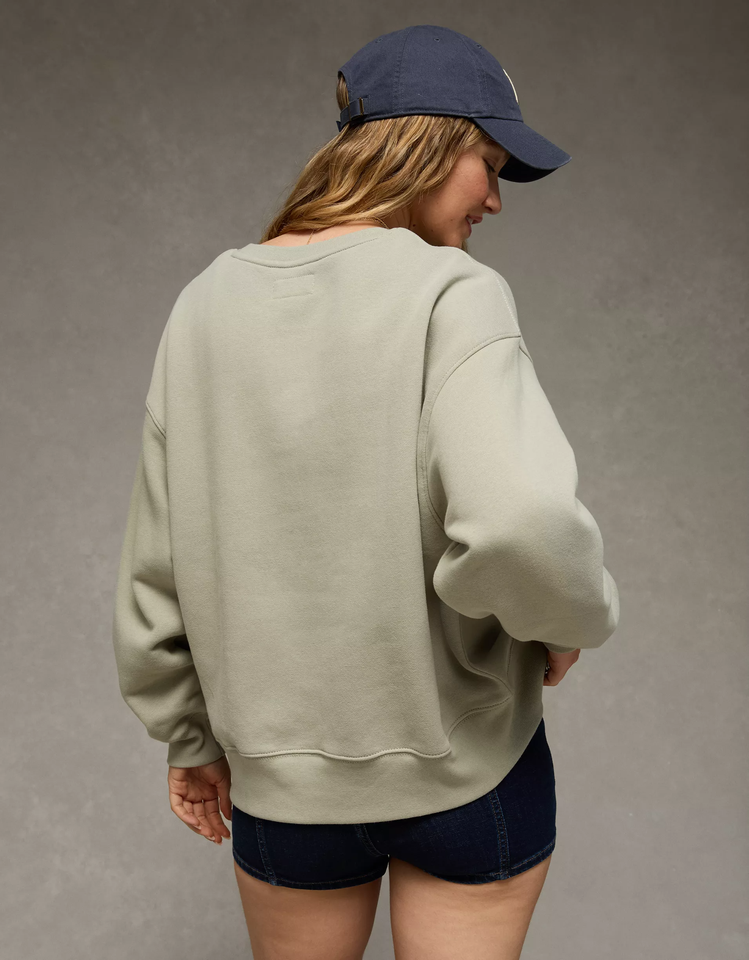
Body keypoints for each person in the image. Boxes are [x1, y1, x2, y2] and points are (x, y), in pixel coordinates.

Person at [111, 25, 620, 960]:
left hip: (282, 792)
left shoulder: (205, 305)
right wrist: (559, 623)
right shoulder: (452, 293)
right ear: (424, 143)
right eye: (487, 163)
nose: (495, 199)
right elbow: (522, 523)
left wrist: (189, 738)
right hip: (466, 773)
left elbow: (157, 565)